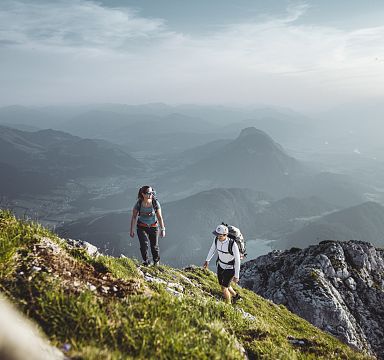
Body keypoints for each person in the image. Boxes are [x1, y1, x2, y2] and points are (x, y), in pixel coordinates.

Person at [203, 224, 241, 304]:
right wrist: (207, 260)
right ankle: (236, 296)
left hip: (230, 268)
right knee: (223, 284)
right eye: (217, 235)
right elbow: (212, 249)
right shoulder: (216, 239)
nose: (218, 237)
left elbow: (237, 261)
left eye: (220, 236)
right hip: (220, 265)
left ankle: (228, 305)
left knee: (224, 288)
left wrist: (236, 276)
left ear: (225, 235)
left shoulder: (232, 244)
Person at [130, 186, 165, 266]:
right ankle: (146, 261)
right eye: (148, 193)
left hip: (154, 227)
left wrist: (163, 229)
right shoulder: (138, 204)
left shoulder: (155, 203)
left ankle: (156, 262)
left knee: (154, 246)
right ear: (143, 194)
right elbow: (134, 217)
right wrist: (131, 230)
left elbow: (159, 217)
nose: (151, 194)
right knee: (143, 245)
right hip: (141, 227)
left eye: (152, 193)